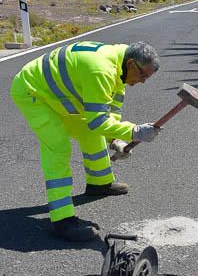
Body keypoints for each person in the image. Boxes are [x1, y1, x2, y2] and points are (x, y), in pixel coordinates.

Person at [10, 40, 161, 241]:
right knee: (58, 147)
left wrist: (116, 141)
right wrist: (134, 132)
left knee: (91, 132)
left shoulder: (119, 70)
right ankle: (62, 220)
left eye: (147, 78)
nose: (143, 81)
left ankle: (99, 183)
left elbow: (109, 118)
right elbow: (98, 121)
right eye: (143, 75)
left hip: (59, 95)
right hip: (33, 92)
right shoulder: (101, 70)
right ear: (132, 63)